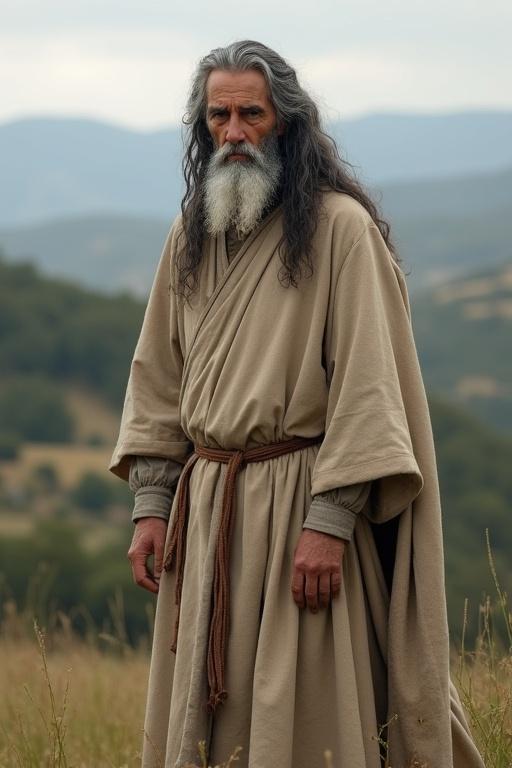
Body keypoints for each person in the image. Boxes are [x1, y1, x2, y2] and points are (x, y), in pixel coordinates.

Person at [109, 40, 484, 768]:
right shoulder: (190, 237)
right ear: (202, 125)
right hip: (209, 514)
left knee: (306, 715)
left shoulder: (341, 230)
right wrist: (152, 504)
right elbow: (157, 377)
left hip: (300, 515)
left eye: (253, 113)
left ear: (287, 122)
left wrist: (330, 520)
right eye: (219, 115)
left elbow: (369, 389)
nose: (235, 132)